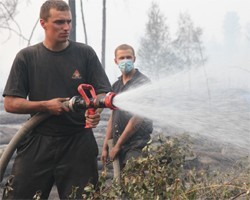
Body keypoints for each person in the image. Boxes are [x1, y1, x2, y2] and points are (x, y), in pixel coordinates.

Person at [2, 0, 111, 199]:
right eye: (59, 22)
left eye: (68, 22)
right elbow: (11, 103)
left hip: (77, 141)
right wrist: (46, 106)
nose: (67, 27)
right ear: (43, 23)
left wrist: (95, 109)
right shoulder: (27, 57)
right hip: (38, 140)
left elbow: (102, 93)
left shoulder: (85, 54)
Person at [101, 44, 153, 171]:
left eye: (128, 57)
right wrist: (105, 146)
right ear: (115, 61)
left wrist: (118, 145)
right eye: (121, 58)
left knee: (132, 178)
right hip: (119, 143)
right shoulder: (116, 85)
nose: (125, 61)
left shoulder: (143, 83)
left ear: (134, 59)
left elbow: (137, 118)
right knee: (119, 185)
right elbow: (113, 117)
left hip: (136, 144)